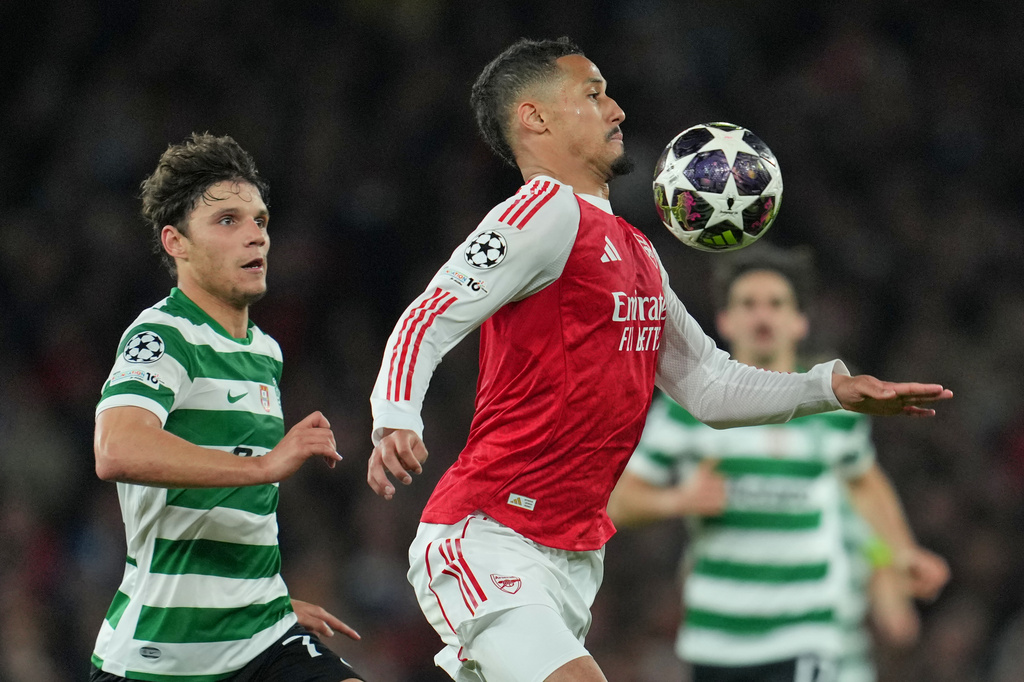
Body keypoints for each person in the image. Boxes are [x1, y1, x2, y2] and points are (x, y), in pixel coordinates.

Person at [366, 37, 951, 682]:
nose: (616, 108)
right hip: (487, 534)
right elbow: (431, 312)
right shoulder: (542, 212)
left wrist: (831, 390)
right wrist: (396, 412)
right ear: (535, 118)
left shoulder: (637, 248)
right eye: (592, 94)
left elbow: (708, 383)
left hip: (573, 555)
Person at [606, 245, 950, 682]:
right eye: (748, 304)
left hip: (804, 632)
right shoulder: (684, 410)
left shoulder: (832, 406)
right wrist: (679, 499)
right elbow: (619, 500)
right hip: (715, 635)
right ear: (725, 320)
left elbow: (863, 481)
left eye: (776, 304)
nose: (762, 316)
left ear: (799, 320)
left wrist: (902, 551)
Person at [90, 133, 364, 682]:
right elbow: (115, 448)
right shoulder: (163, 335)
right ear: (176, 243)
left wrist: (265, 603)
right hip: (161, 657)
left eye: (260, 221)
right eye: (227, 221)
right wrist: (263, 466)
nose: (254, 237)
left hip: (261, 638)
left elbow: (239, 519)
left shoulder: (264, 351)